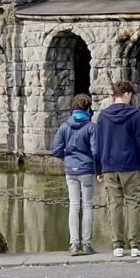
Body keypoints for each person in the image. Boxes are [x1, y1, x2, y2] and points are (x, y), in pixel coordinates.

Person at [95, 80, 140, 258]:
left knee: (115, 204)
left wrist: (99, 169)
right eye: (131, 96)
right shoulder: (134, 114)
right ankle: (136, 245)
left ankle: (117, 246)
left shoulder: (103, 115)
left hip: (110, 166)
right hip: (130, 165)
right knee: (133, 203)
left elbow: (98, 144)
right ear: (127, 94)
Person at [51, 93, 99, 257]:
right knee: (87, 206)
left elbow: (56, 150)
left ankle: (73, 245)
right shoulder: (91, 127)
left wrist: (69, 156)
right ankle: (86, 245)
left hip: (71, 170)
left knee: (73, 206)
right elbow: (96, 151)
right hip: (87, 170)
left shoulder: (65, 126)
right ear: (88, 108)